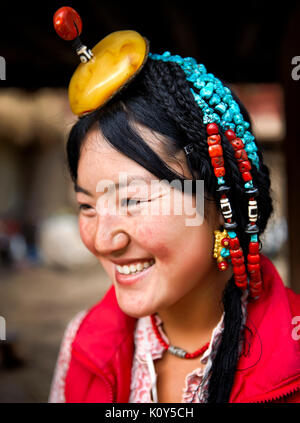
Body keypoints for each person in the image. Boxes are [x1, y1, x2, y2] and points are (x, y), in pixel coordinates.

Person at [49, 8, 300, 403]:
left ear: (220, 201)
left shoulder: (294, 359)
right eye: (87, 206)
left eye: (131, 199)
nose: (102, 239)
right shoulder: (82, 345)